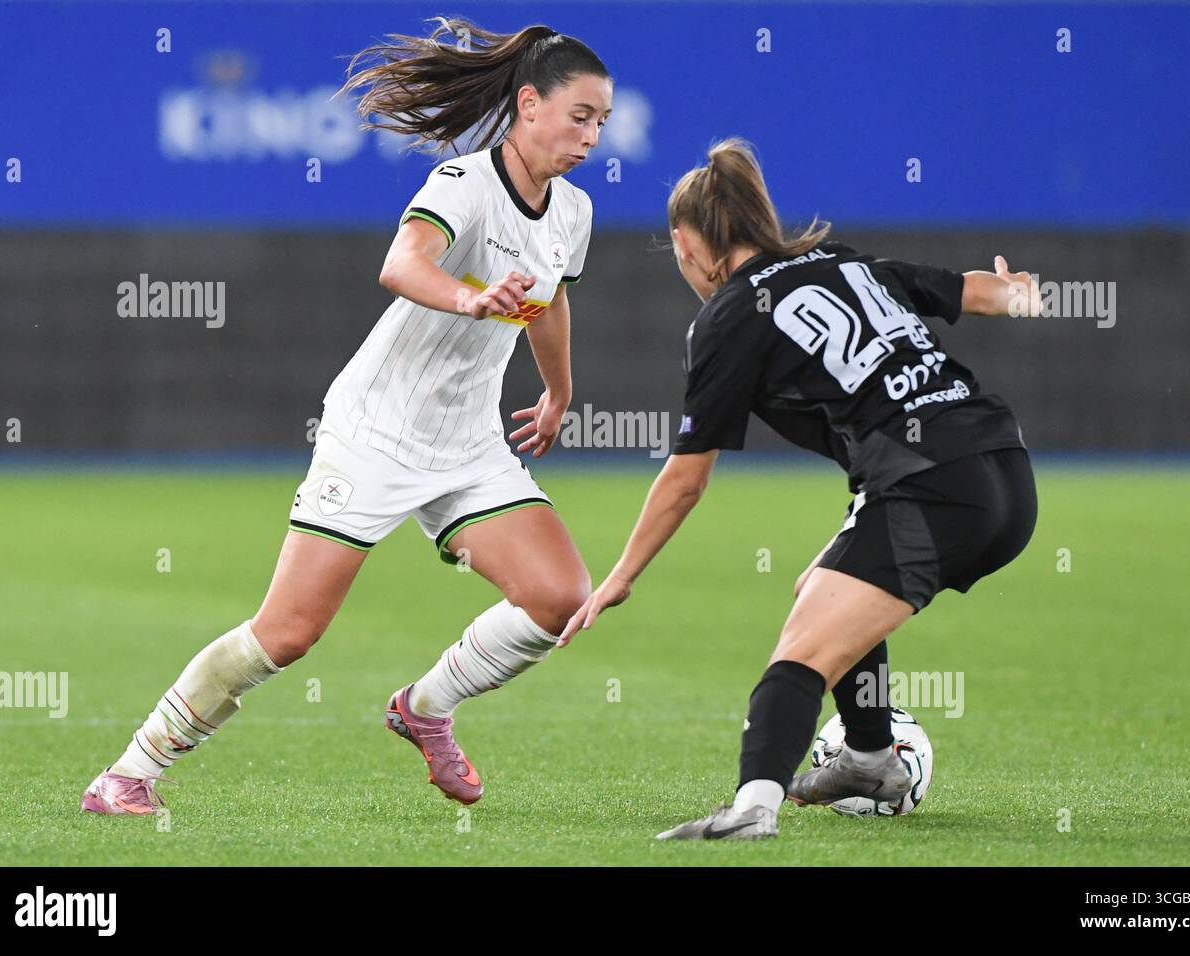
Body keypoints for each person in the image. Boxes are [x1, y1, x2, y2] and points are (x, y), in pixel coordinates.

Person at [81, 18, 613, 814]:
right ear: (529, 105)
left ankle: (425, 708)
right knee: (288, 634)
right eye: (581, 115)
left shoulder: (572, 211)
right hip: (375, 432)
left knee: (560, 598)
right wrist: (469, 296)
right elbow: (400, 265)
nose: (593, 135)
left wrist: (560, 391)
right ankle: (129, 772)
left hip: (466, 444)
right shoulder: (464, 186)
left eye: (603, 120)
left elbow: (550, 303)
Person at [560, 138, 1040, 840]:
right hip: (1005, 470)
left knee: (802, 653)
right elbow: (973, 291)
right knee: (821, 584)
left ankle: (753, 809)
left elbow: (686, 477)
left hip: (929, 486)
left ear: (687, 241)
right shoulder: (841, 260)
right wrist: (1017, 293)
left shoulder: (726, 319)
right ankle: (870, 759)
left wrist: (620, 577)